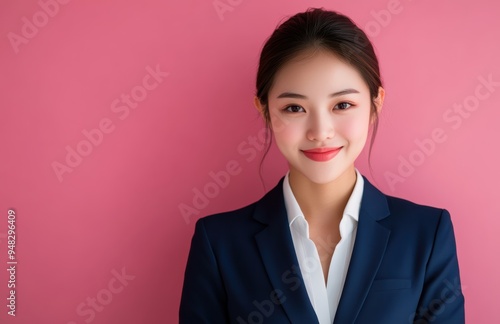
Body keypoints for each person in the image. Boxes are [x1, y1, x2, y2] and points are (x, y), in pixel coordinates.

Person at [179, 7, 465, 324]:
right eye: (294, 108)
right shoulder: (219, 243)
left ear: (375, 104)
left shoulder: (426, 234)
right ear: (264, 111)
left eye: (342, 105)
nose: (320, 132)